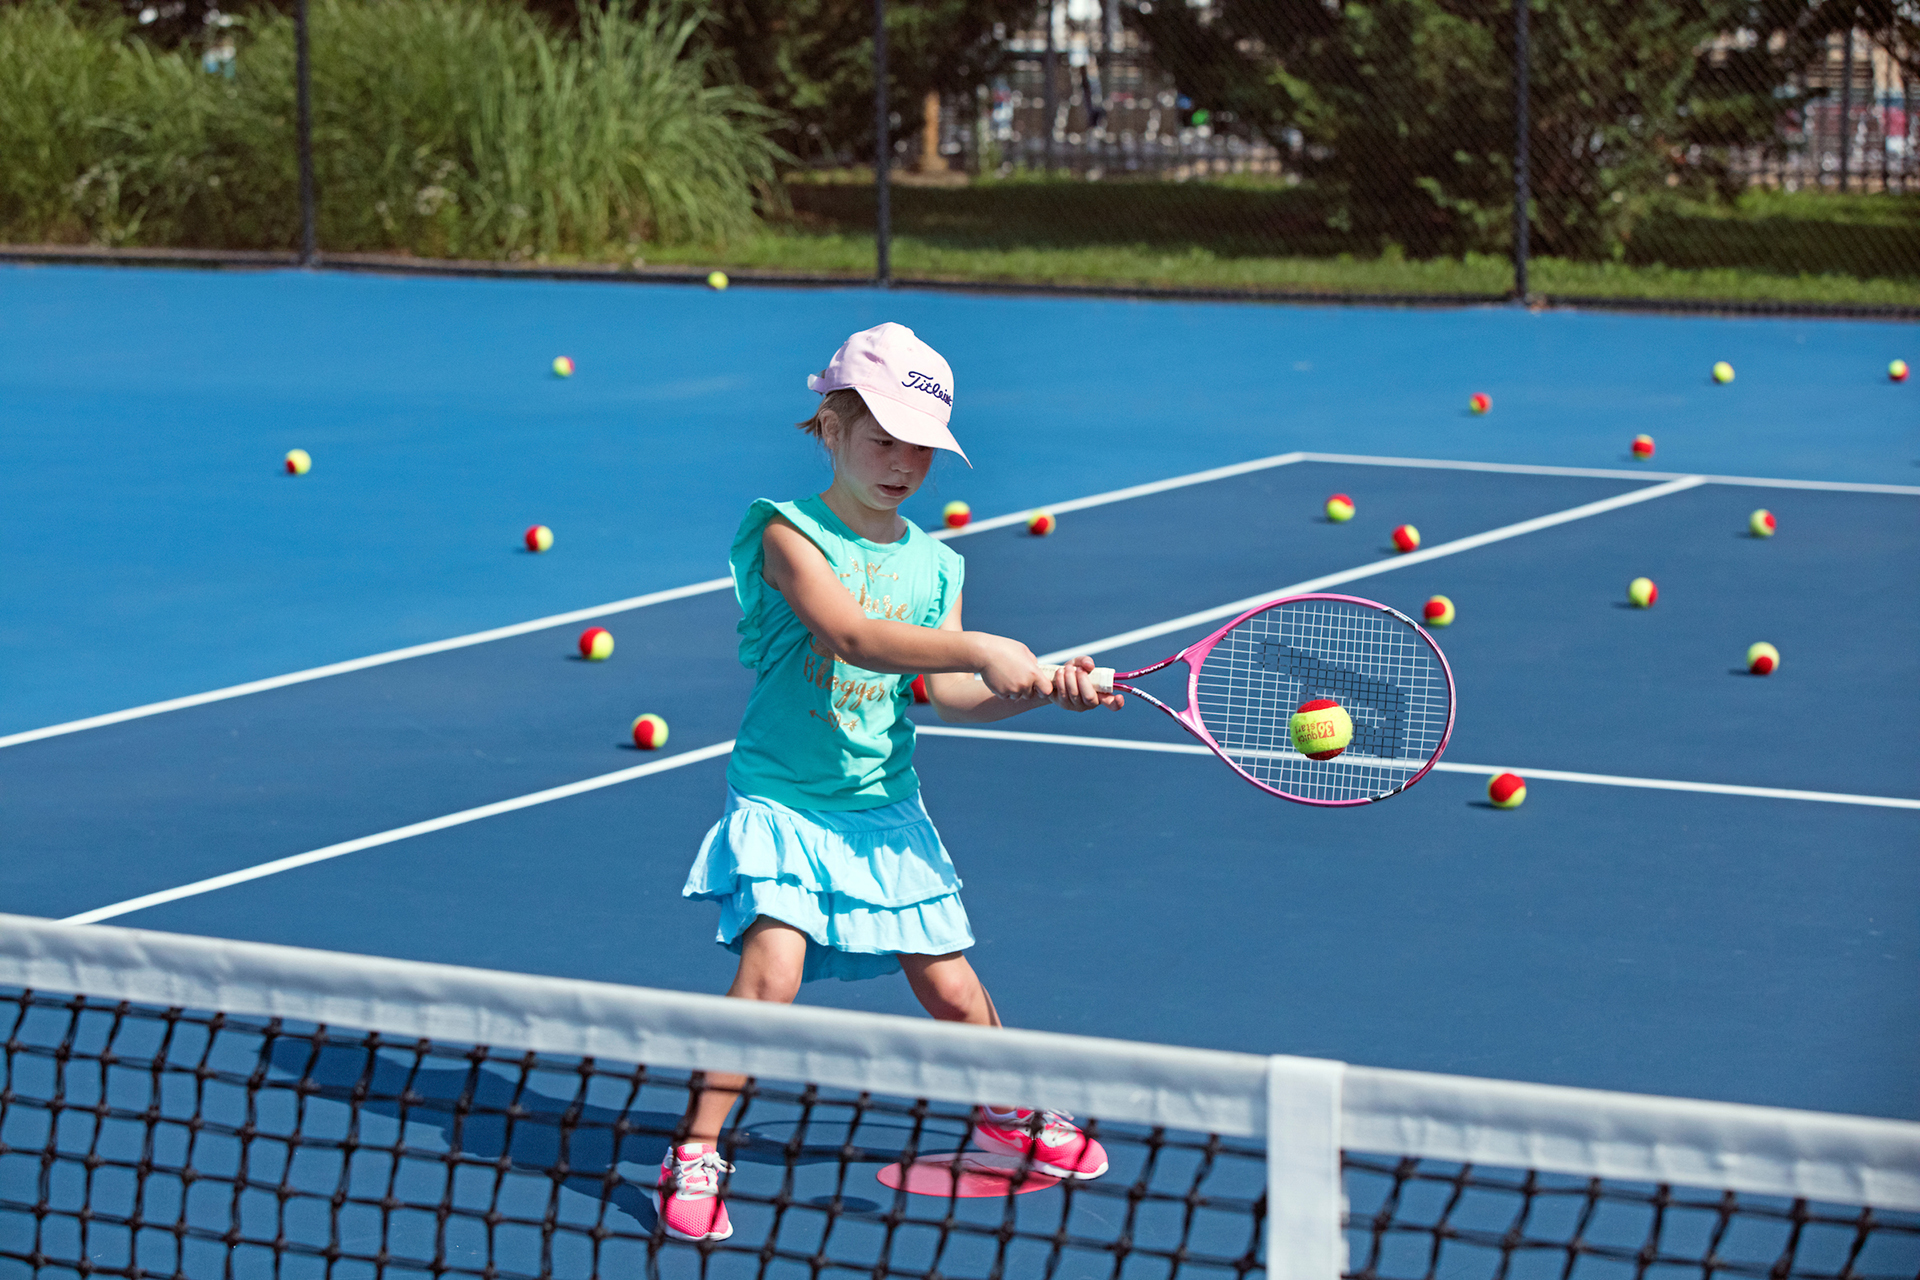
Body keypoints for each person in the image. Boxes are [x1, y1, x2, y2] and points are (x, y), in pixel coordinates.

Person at [655, 322, 1123, 1242]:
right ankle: (697, 1150)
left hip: (882, 805)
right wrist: (984, 647)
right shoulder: (789, 534)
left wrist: (1036, 691)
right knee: (772, 970)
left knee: (952, 989)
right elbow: (854, 638)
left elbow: (949, 695)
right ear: (829, 426)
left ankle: (1009, 1111)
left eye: (921, 446)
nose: (903, 461)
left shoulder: (937, 565)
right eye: (882, 437)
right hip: (784, 797)